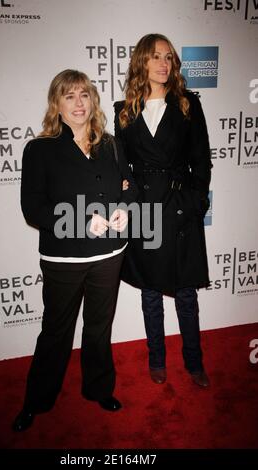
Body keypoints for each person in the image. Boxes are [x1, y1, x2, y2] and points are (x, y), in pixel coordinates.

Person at [12, 69, 137, 432]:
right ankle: (36, 401)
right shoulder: (40, 149)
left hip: (109, 256)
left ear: (93, 100)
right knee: (56, 331)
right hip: (63, 260)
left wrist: (124, 206)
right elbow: (33, 208)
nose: (79, 103)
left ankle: (99, 389)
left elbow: (129, 188)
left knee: (99, 328)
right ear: (57, 104)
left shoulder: (110, 144)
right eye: (69, 96)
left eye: (84, 95)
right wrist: (82, 222)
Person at [114, 34, 212, 388]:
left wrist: (195, 203)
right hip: (144, 212)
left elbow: (202, 160)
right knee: (151, 292)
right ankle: (157, 359)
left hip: (180, 208)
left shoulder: (188, 104)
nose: (164, 63)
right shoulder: (123, 110)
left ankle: (194, 361)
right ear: (142, 62)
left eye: (168, 57)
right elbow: (121, 166)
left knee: (186, 292)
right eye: (156, 57)